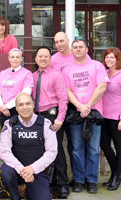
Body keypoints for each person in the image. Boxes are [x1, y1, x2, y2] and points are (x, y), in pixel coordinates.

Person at [62, 39, 109, 194]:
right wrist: (80, 106)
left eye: (81, 47)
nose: (78, 49)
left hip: (94, 114)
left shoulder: (97, 66)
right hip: (76, 113)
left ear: (86, 49)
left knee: (94, 149)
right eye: (75, 47)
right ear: (72, 50)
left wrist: (88, 105)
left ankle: (91, 180)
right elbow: (67, 91)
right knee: (76, 148)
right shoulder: (67, 69)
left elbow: (102, 87)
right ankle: (79, 180)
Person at [0, 93, 57, 200]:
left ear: (33, 105)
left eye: (27, 103)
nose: (24, 107)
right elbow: (4, 151)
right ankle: (15, 197)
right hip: (16, 170)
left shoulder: (45, 123)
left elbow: (51, 152)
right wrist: (22, 169)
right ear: (16, 108)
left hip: (37, 171)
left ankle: (30, 192)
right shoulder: (10, 124)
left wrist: (32, 169)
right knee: (5, 173)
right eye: (21, 105)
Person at [32, 46, 69, 197]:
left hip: (52, 116)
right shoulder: (32, 76)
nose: (43, 58)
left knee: (57, 149)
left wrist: (60, 118)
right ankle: (45, 180)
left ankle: (63, 183)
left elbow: (63, 99)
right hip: (37, 117)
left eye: (46, 56)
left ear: (50, 58)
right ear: (36, 59)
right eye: (40, 56)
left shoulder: (56, 75)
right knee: (41, 150)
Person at [0, 48, 33, 127]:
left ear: (21, 59)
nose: (15, 59)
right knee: (5, 137)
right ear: (9, 58)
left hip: (20, 110)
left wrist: (7, 106)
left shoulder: (27, 74)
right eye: (13, 57)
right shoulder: (3, 73)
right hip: (5, 112)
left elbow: (25, 93)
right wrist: (1, 107)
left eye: (17, 57)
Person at [100, 47, 121, 191]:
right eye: (107, 57)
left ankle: (116, 176)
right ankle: (116, 172)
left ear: (118, 59)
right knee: (105, 145)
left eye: (112, 57)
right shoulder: (105, 73)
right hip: (103, 116)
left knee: (119, 147)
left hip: (117, 117)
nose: (109, 60)